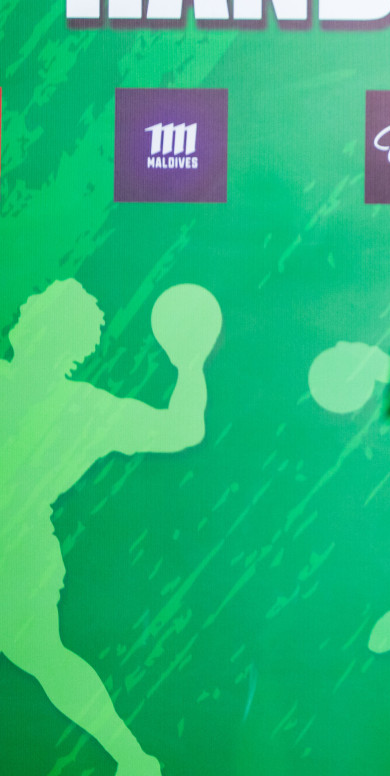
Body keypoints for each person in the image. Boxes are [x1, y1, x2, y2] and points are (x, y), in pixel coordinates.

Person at [0, 279, 221, 776]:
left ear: (42, 329)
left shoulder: (83, 411)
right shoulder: (85, 411)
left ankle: (134, 760)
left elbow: (183, 430)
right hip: (22, 556)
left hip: (16, 557)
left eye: (33, 308)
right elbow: (183, 429)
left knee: (45, 658)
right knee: (46, 659)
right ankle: (134, 760)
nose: (23, 308)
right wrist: (188, 364)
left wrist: (191, 363)